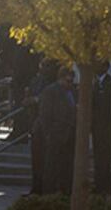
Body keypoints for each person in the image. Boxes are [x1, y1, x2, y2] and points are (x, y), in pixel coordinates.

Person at [36, 66, 77, 195]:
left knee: (67, 167)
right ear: (61, 78)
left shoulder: (73, 92)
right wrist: (49, 133)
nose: (70, 83)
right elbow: (44, 114)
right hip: (55, 135)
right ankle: (49, 193)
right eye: (68, 80)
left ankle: (65, 191)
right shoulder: (50, 91)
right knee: (51, 167)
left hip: (70, 135)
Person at [92, 61, 111, 194]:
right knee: (99, 159)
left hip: (108, 128)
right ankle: (99, 184)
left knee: (106, 159)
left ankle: (106, 185)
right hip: (97, 129)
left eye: (100, 64)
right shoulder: (94, 83)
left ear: (106, 67)